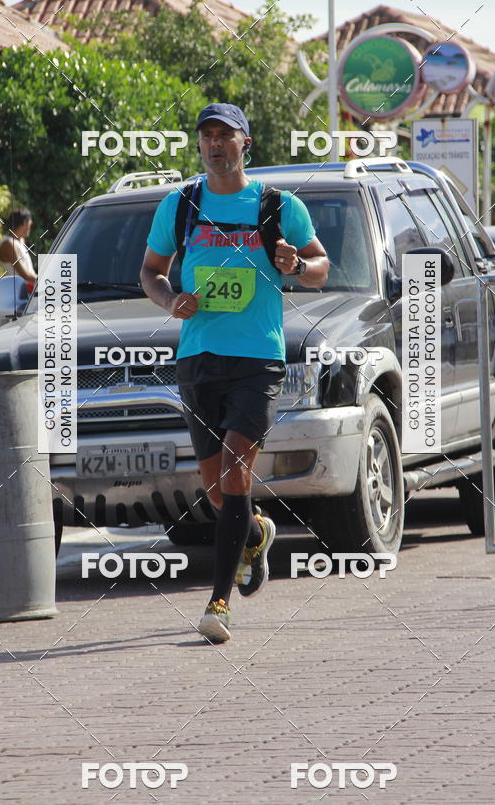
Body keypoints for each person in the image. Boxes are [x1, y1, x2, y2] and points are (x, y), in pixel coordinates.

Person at [140, 103, 329, 643]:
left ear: (247, 143)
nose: (215, 144)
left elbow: (321, 269)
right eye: (207, 136)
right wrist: (170, 298)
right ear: (199, 145)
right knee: (217, 490)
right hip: (198, 358)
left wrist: (295, 266)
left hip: (257, 359)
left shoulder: (277, 206)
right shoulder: (181, 205)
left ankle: (219, 603)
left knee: (233, 469)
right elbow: (150, 273)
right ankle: (256, 532)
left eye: (226, 135)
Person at [0, 209, 37, 285]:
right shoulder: (8, 244)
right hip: (21, 293)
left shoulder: (20, 241)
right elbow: (25, 275)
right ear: (25, 223)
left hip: (30, 290)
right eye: (30, 223)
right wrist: (47, 281)